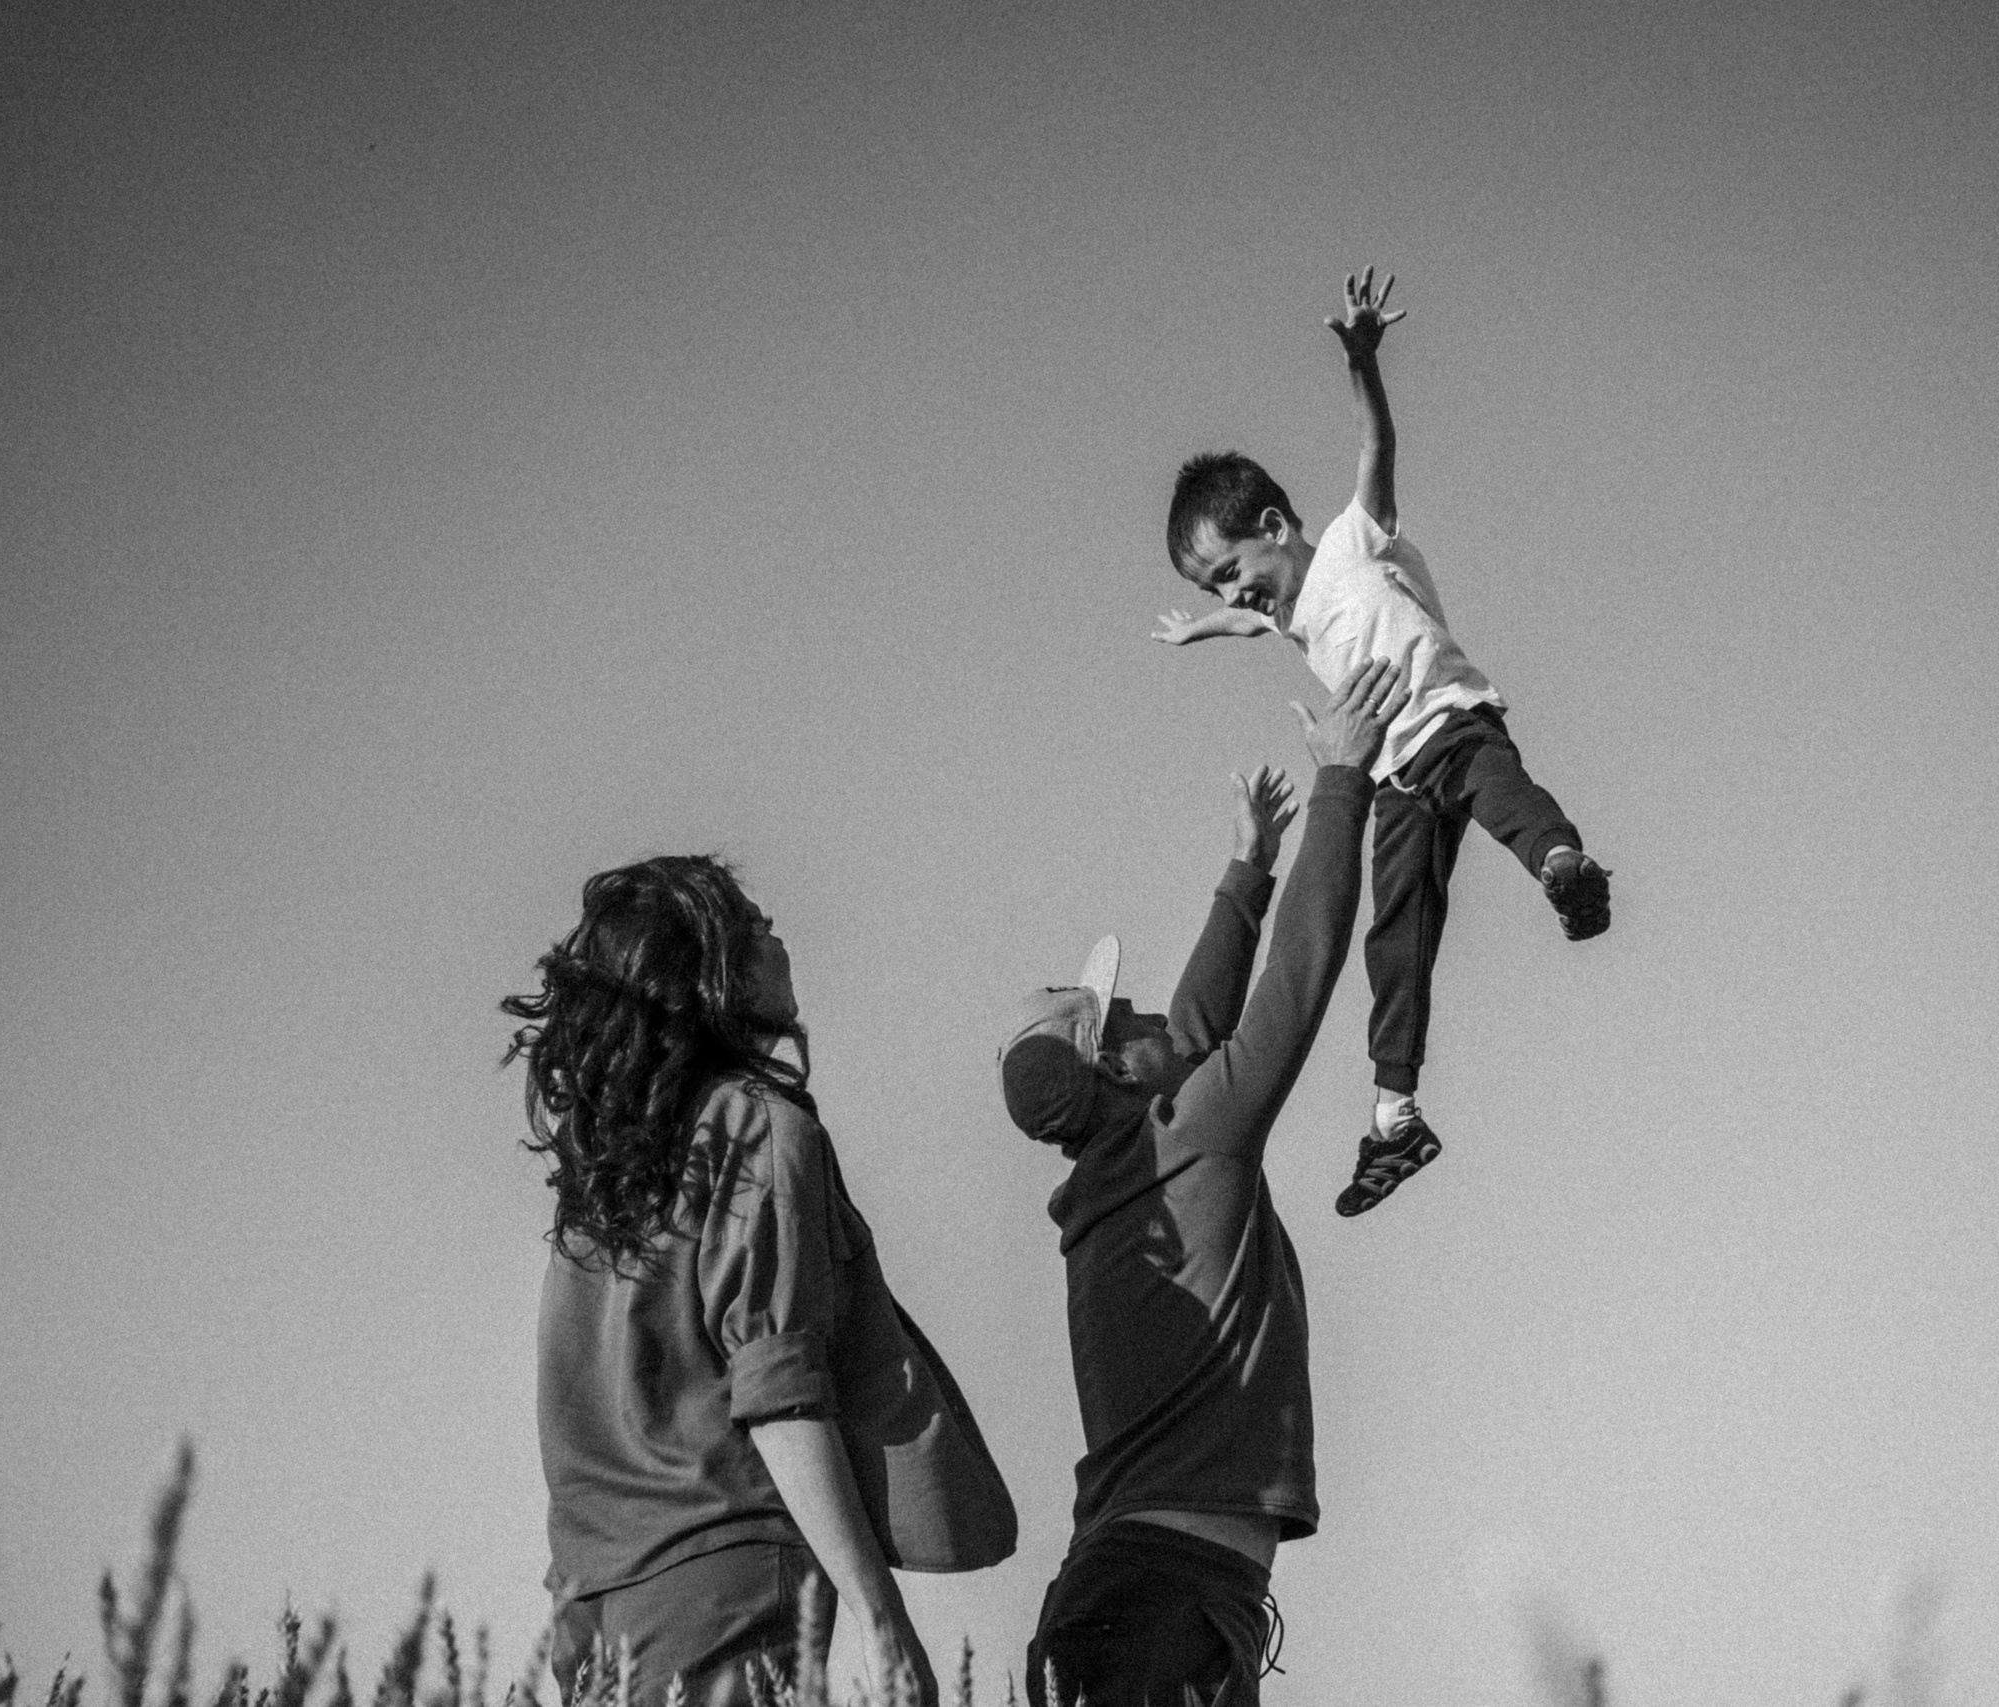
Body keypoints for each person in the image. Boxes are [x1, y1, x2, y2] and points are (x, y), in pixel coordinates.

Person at [1150, 267, 1613, 1217]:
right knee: (1395, 932)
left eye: (1232, 572)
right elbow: (1246, 623)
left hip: (1451, 722)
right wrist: (1198, 629)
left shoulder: (1354, 541)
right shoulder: (1282, 616)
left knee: (1508, 799)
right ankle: (1394, 1116)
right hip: (1397, 775)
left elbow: (1375, 443)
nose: (1236, 596)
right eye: (1214, 589)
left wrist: (1362, 360)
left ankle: (1564, 867)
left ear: (1274, 526)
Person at [504, 857, 1014, 1706]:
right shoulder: (756, 1128)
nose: (777, 934)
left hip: (590, 1606)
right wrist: (882, 1618)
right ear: (711, 973)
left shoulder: (600, 1189)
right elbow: (780, 1397)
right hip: (723, 1579)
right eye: (752, 924)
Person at [999, 659, 1409, 1707]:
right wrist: (1343, 782)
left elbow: (1185, 1037)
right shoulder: (1192, 1139)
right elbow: (1299, 977)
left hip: (1148, 1590)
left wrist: (1246, 871)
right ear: (1110, 1068)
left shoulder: (1124, 1170)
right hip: (1161, 1606)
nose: (1149, 1012)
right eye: (1124, 1015)